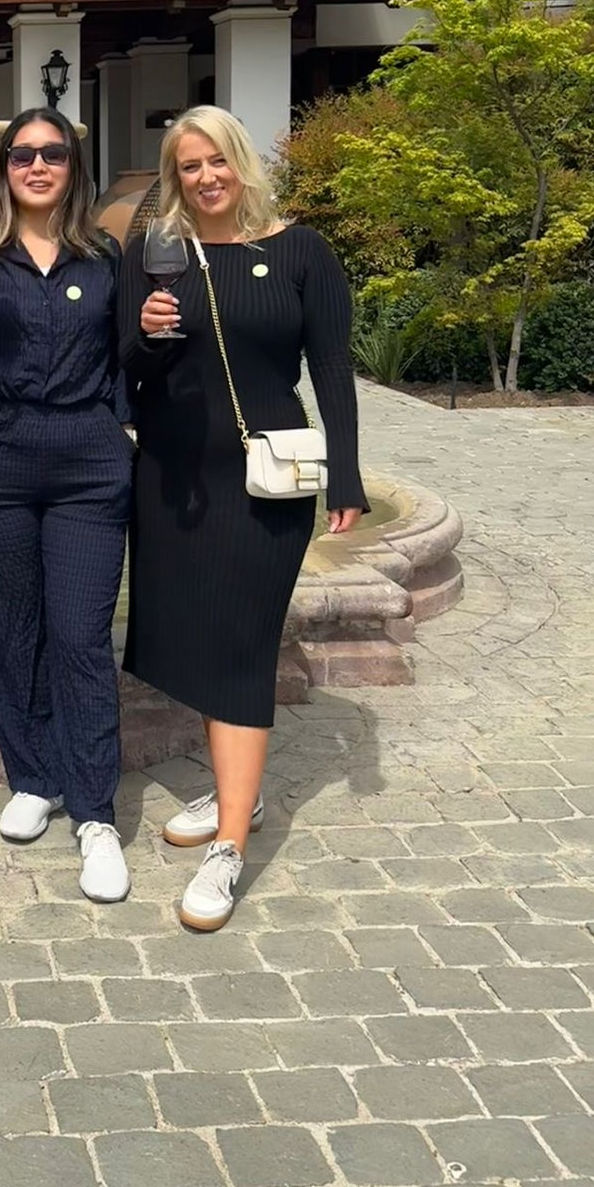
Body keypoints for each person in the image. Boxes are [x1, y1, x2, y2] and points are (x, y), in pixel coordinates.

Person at [118, 104, 365, 932]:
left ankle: (228, 845)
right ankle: (239, 792)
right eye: (187, 167)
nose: (204, 178)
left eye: (215, 161)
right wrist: (148, 337)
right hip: (174, 475)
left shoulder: (299, 250)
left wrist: (347, 476)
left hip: (266, 483)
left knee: (240, 643)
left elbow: (330, 366)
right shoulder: (156, 249)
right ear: (173, 175)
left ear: (239, 162)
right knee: (194, 633)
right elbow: (124, 364)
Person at [0, 108, 135, 902]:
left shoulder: (105, 254)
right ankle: (33, 774)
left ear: (72, 166)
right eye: (23, 154)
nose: (38, 164)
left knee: (81, 634)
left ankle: (94, 813)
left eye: (53, 153)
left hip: (88, 461)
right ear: (4, 166)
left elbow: (124, 356)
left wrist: (125, 430)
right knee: (9, 626)